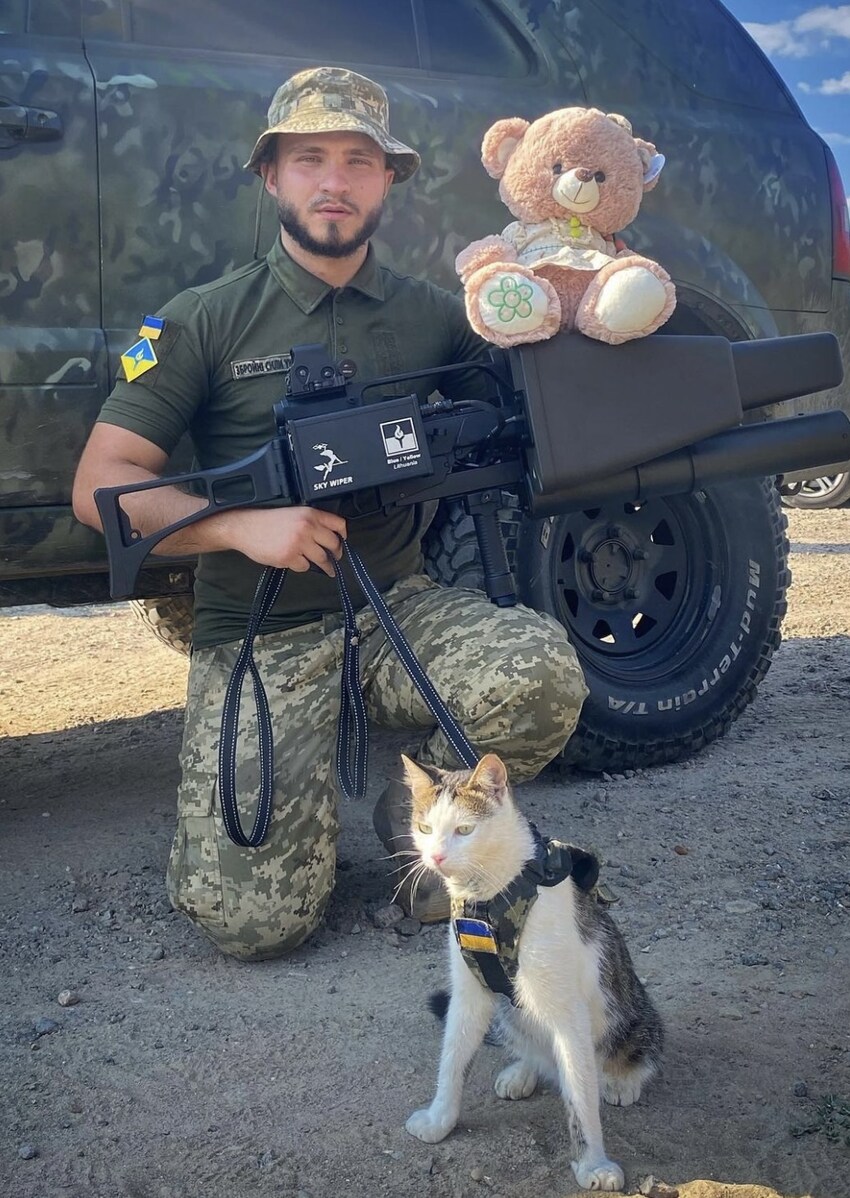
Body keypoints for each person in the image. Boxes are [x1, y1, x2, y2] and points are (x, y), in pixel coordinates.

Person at [72, 67, 588, 961]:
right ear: (272, 176)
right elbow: (101, 485)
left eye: (358, 160)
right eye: (309, 158)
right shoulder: (201, 320)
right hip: (260, 634)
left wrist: (581, 263)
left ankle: (415, 815)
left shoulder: (437, 316)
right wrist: (240, 526)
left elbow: (548, 365)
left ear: (388, 179)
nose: (334, 181)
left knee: (540, 674)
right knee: (252, 926)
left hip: (397, 612)